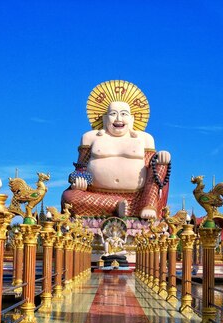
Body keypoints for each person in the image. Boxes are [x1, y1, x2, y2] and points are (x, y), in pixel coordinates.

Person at [61, 80, 171, 219]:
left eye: (124, 114)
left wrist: (161, 156)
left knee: (161, 163)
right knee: (69, 197)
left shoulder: (144, 138)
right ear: (105, 118)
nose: (118, 118)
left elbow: (152, 171)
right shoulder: (90, 137)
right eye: (113, 113)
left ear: (131, 119)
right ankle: (116, 205)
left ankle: (148, 205)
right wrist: (78, 181)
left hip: (138, 198)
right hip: (96, 196)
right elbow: (80, 168)